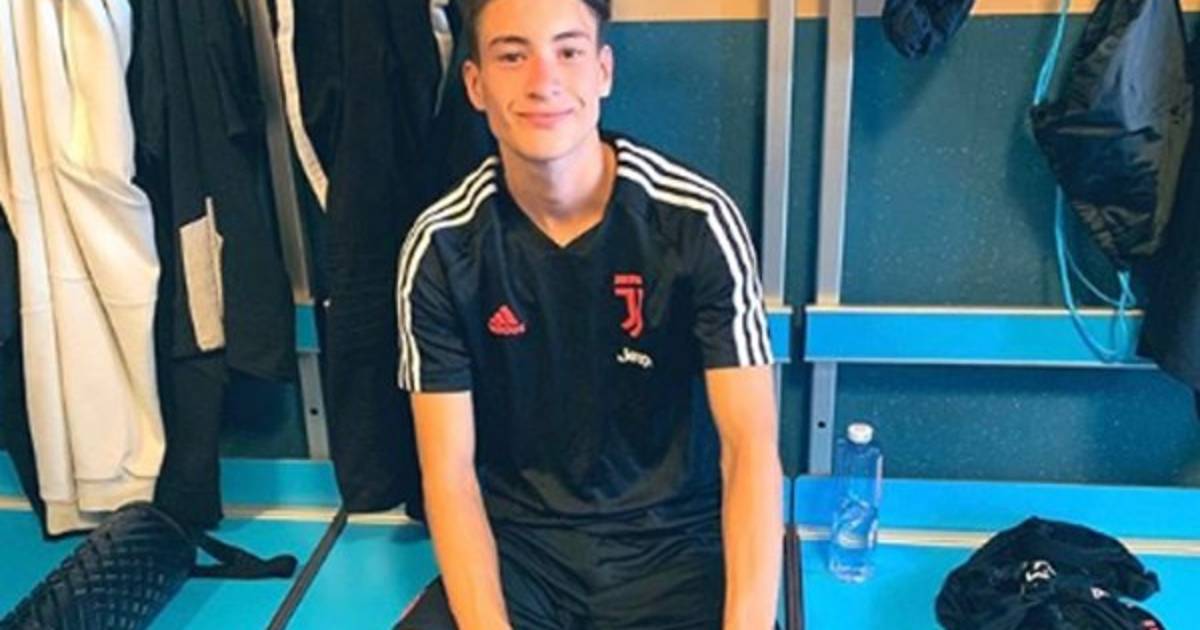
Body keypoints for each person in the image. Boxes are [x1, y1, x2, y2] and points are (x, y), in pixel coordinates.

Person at [394, 0, 781, 627]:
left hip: (677, 551)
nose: (543, 81)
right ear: (475, 84)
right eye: (512, 55)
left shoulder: (697, 222)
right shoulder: (441, 247)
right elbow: (450, 475)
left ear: (603, 71)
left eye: (568, 51)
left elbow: (750, 449)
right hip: (522, 556)